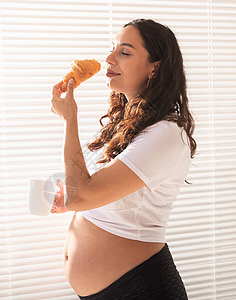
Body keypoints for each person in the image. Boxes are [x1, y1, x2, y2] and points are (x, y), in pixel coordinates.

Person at [50, 19, 196, 300]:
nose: (109, 58)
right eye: (113, 49)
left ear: (155, 67)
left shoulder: (166, 133)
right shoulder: (121, 125)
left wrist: (69, 119)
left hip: (141, 288)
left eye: (125, 52)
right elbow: (93, 193)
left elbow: (84, 194)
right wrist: (69, 197)